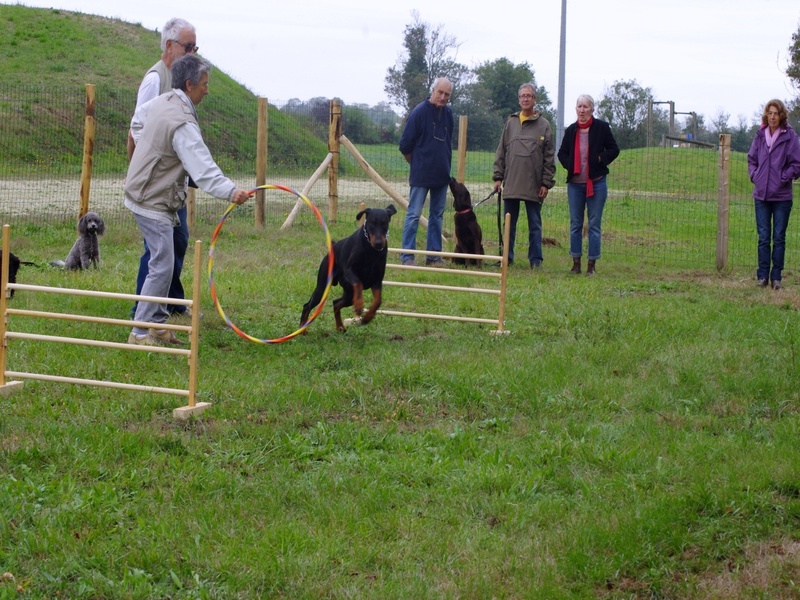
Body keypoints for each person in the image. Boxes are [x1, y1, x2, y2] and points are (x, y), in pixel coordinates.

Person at [125, 54, 251, 346]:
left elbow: (137, 121)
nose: (207, 90)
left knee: (165, 262)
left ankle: (155, 325)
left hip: (149, 194)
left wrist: (155, 152)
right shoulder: (181, 122)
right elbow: (203, 169)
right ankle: (140, 332)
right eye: (204, 84)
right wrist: (232, 192)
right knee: (162, 264)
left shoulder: (165, 102)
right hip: (150, 199)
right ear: (190, 84)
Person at [128, 17, 198, 319]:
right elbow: (136, 130)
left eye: (196, 47)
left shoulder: (180, 80)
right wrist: (145, 175)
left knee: (178, 241)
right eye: (188, 46)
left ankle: (169, 303)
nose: (193, 52)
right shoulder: (155, 80)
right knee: (157, 250)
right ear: (169, 46)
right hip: (154, 187)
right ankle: (140, 312)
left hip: (172, 185)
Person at [492, 83, 555, 268]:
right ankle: (506, 258)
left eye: (529, 96)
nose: (525, 99)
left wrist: (546, 183)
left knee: (534, 224)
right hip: (511, 182)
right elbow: (501, 151)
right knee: (508, 224)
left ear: (535, 99)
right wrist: (498, 177)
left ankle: (536, 260)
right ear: (519, 99)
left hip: (534, 185)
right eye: (522, 96)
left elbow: (549, 157)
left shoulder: (544, 125)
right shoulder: (510, 123)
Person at [557, 94, 620, 275]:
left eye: (585, 107)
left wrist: (601, 158)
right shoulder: (571, 130)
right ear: (576, 109)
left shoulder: (601, 128)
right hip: (575, 185)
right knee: (575, 224)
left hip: (597, 183)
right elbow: (562, 153)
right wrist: (570, 164)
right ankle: (576, 263)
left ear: (592, 109)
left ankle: (591, 266)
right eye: (579, 107)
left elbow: (614, 149)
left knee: (594, 224)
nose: (582, 110)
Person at [398, 77, 454, 267]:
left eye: (447, 94)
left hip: (441, 175)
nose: (443, 97)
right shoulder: (419, 113)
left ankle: (434, 256)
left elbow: (447, 143)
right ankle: (407, 256)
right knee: (413, 214)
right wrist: (417, 164)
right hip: (421, 175)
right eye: (440, 92)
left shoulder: (449, 115)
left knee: (437, 216)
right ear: (433, 91)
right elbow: (405, 145)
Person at [747, 99, 800, 290]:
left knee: (778, 237)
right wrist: (755, 176)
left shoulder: (789, 136)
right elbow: (751, 159)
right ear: (766, 115)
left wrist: (783, 178)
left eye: (776, 113)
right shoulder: (760, 135)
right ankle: (762, 276)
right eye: (769, 113)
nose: (772, 117)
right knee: (763, 237)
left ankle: (776, 277)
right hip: (761, 195)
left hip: (782, 197)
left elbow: (796, 164)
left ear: (781, 115)